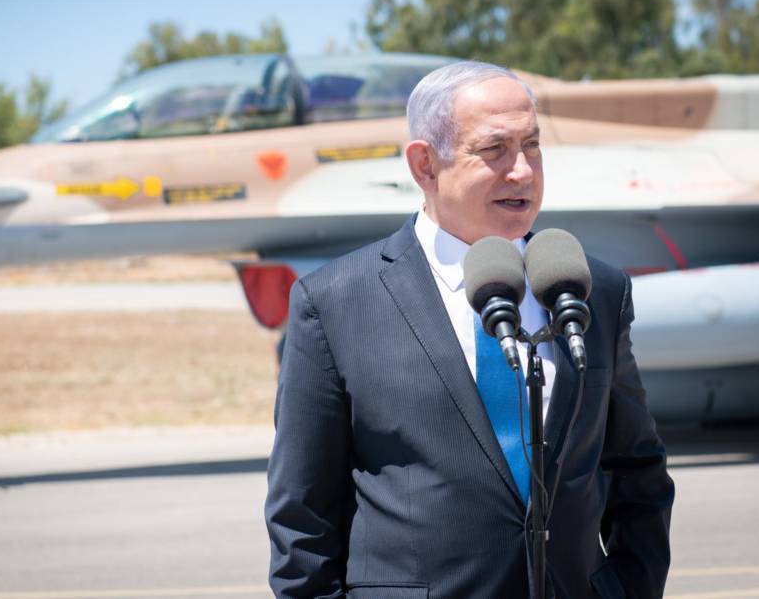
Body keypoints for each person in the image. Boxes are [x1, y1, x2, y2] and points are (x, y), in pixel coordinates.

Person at [265, 61, 674, 598]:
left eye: (532, 146)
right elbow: (302, 518)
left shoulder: (592, 288)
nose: (523, 172)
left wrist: (626, 589)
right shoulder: (336, 303)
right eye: (495, 150)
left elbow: (636, 469)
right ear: (425, 165)